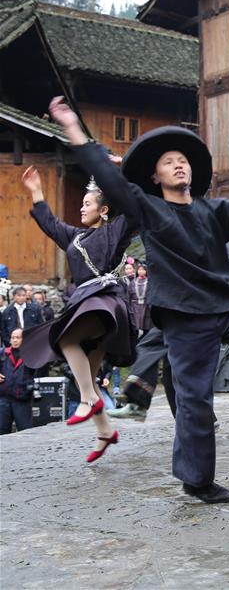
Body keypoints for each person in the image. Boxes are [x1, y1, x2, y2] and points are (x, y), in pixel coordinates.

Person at [49, 96, 229, 503]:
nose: (179, 164)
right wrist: (74, 128)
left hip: (228, 307)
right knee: (195, 405)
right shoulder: (148, 209)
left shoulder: (212, 210)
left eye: (182, 159)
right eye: (168, 162)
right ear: (154, 177)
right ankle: (198, 481)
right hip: (186, 319)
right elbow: (108, 177)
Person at [19, 166, 134, 464]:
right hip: (84, 304)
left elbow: (134, 203)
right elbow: (50, 223)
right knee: (89, 376)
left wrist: (119, 172)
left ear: (104, 209)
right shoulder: (75, 236)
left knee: (67, 339)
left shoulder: (117, 228)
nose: (81, 208)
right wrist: (36, 192)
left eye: (87, 204)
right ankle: (104, 431)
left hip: (105, 302)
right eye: (81, 204)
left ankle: (89, 400)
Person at [0, 328, 35, 434]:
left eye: (18, 338)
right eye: (13, 338)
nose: (15, 340)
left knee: (26, 432)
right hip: (3, 399)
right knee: (1, 432)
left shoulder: (31, 355)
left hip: (22, 399)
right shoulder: (2, 353)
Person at [129, 263, 153, 334]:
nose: (141, 271)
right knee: (136, 325)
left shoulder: (150, 282)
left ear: (146, 271)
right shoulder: (133, 282)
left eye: (143, 270)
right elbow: (128, 296)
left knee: (147, 326)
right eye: (139, 269)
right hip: (135, 307)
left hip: (146, 307)